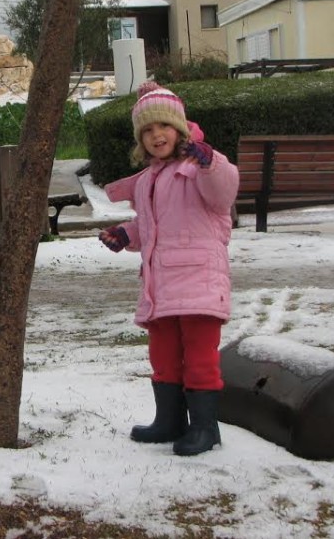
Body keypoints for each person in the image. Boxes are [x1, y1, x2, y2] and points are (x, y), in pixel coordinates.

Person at [98, 81, 239, 456]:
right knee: (162, 355)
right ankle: (170, 421)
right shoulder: (148, 180)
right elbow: (152, 227)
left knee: (199, 356)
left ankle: (205, 428)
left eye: (163, 126)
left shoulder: (200, 169)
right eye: (147, 130)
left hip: (198, 282)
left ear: (179, 129)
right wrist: (126, 235)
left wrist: (210, 161)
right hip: (159, 286)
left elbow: (225, 192)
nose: (156, 135)